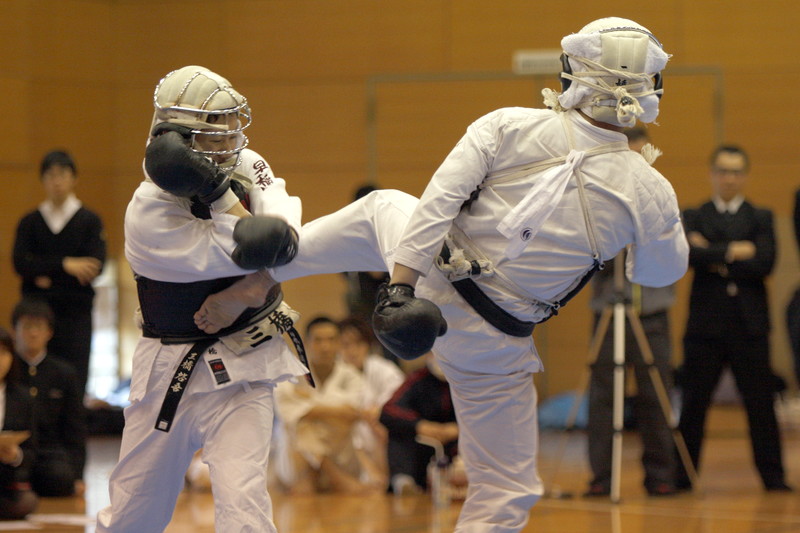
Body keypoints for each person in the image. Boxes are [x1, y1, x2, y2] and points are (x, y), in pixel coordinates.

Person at [194, 17, 687, 532]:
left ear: (573, 72)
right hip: (496, 342)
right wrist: (646, 209)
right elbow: (658, 274)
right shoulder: (650, 191)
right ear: (651, 88)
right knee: (507, 490)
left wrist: (400, 289)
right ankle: (266, 277)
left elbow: (438, 205)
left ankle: (265, 275)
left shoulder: (508, 125)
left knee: (384, 206)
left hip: (431, 283)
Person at [96, 65, 309, 533]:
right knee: (135, 513)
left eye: (232, 125)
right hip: (168, 369)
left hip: (246, 361)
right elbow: (252, 246)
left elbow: (287, 233)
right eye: (213, 131)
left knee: (245, 505)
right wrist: (218, 197)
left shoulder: (249, 163)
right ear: (175, 140)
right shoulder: (148, 213)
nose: (229, 139)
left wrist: (252, 289)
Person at [676, 144, 791, 492]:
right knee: (694, 403)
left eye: (736, 171)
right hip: (704, 325)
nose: (729, 178)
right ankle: (682, 476)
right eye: (723, 171)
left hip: (750, 326)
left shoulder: (761, 217)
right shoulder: (694, 215)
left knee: (761, 405)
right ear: (712, 173)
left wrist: (711, 251)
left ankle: (774, 478)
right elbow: (689, 256)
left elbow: (765, 263)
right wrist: (734, 250)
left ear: (745, 175)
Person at [584, 126, 678, 497]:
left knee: (656, 393)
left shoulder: (663, 197)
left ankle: (661, 474)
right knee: (603, 395)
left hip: (652, 311)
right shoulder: (599, 199)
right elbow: (590, 256)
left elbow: (672, 252)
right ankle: (601, 478)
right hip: (608, 309)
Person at [13, 149, 106, 396]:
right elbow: (21, 264)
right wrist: (66, 265)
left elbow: (96, 266)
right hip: (37, 312)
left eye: (62, 174)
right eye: (50, 175)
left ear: (74, 178)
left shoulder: (89, 220)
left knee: (74, 380)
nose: (56, 181)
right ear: (42, 180)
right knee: (32, 378)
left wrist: (44, 272)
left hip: (75, 314)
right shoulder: (30, 222)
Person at [273, 316, 375, 494]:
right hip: (297, 464)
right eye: (318, 340)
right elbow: (286, 411)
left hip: (341, 456)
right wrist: (335, 410)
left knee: (305, 422)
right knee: (300, 425)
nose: (325, 347)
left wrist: (309, 401)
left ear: (339, 343)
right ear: (306, 342)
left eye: (331, 340)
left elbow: (352, 412)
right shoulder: (290, 374)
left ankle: (323, 471)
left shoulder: (351, 375)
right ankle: (329, 472)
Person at [13, 298, 87, 498]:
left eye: (39, 327)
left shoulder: (64, 373)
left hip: (49, 452)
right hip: (13, 450)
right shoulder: (8, 369)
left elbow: (75, 428)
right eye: (27, 326)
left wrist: (78, 475)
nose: (33, 333)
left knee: (61, 479)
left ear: (49, 332)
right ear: (15, 331)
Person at [339, 316, 405, 487]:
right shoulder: (337, 373)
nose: (352, 350)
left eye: (358, 344)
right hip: (349, 440)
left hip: (379, 433)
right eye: (346, 344)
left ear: (368, 345)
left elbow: (397, 404)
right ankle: (370, 475)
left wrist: (374, 414)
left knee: (383, 424)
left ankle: (390, 476)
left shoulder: (385, 369)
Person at [379, 352, 458, 494]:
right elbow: (388, 410)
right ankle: (403, 482)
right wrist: (420, 426)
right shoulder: (418, 378)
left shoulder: (471, 380)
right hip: (423, 449)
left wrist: (458, 429)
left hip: (459, 447)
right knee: (399, 431)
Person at [0, 326, 38, 519]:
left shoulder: (23, 398)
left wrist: (15, 455)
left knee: (27, 502)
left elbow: (32, 451)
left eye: (4, 352)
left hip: (5, 482)